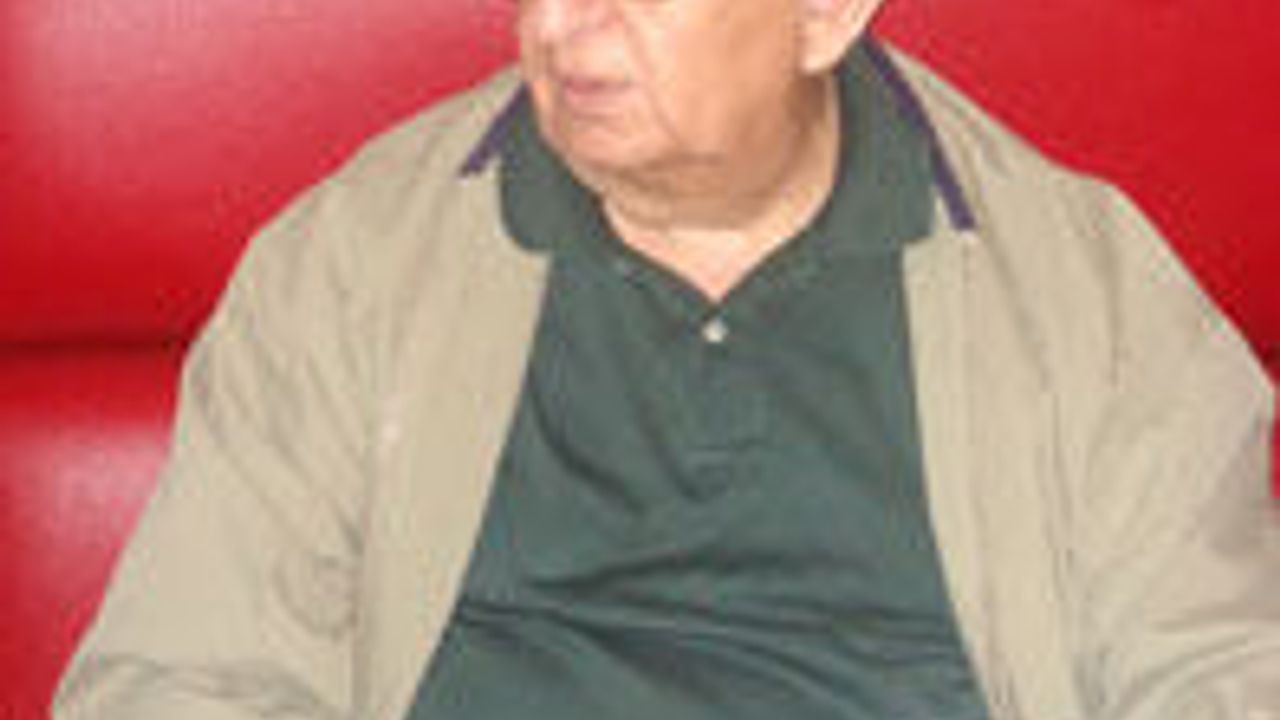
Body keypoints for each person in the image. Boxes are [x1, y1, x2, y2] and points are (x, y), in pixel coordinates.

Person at [54, 0, 1279, 717]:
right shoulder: (358, 260)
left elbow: (1221, 671)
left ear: (824, 14)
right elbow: (181, 680)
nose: (559, 24)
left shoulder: (1082, 297)